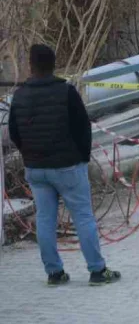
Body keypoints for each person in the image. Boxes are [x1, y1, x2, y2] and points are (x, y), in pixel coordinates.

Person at [7, 45, 121, 287]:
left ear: (31, 66)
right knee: (83, 216)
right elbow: (83, 127)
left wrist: (29, 154)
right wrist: (82, 157)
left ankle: (54, 273)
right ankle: (97, 270)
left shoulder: (19, 95)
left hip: (36, 168)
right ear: (53, 64)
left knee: (45, 219)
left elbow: (14, 132)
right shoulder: (66, 92)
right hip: (68, 166)